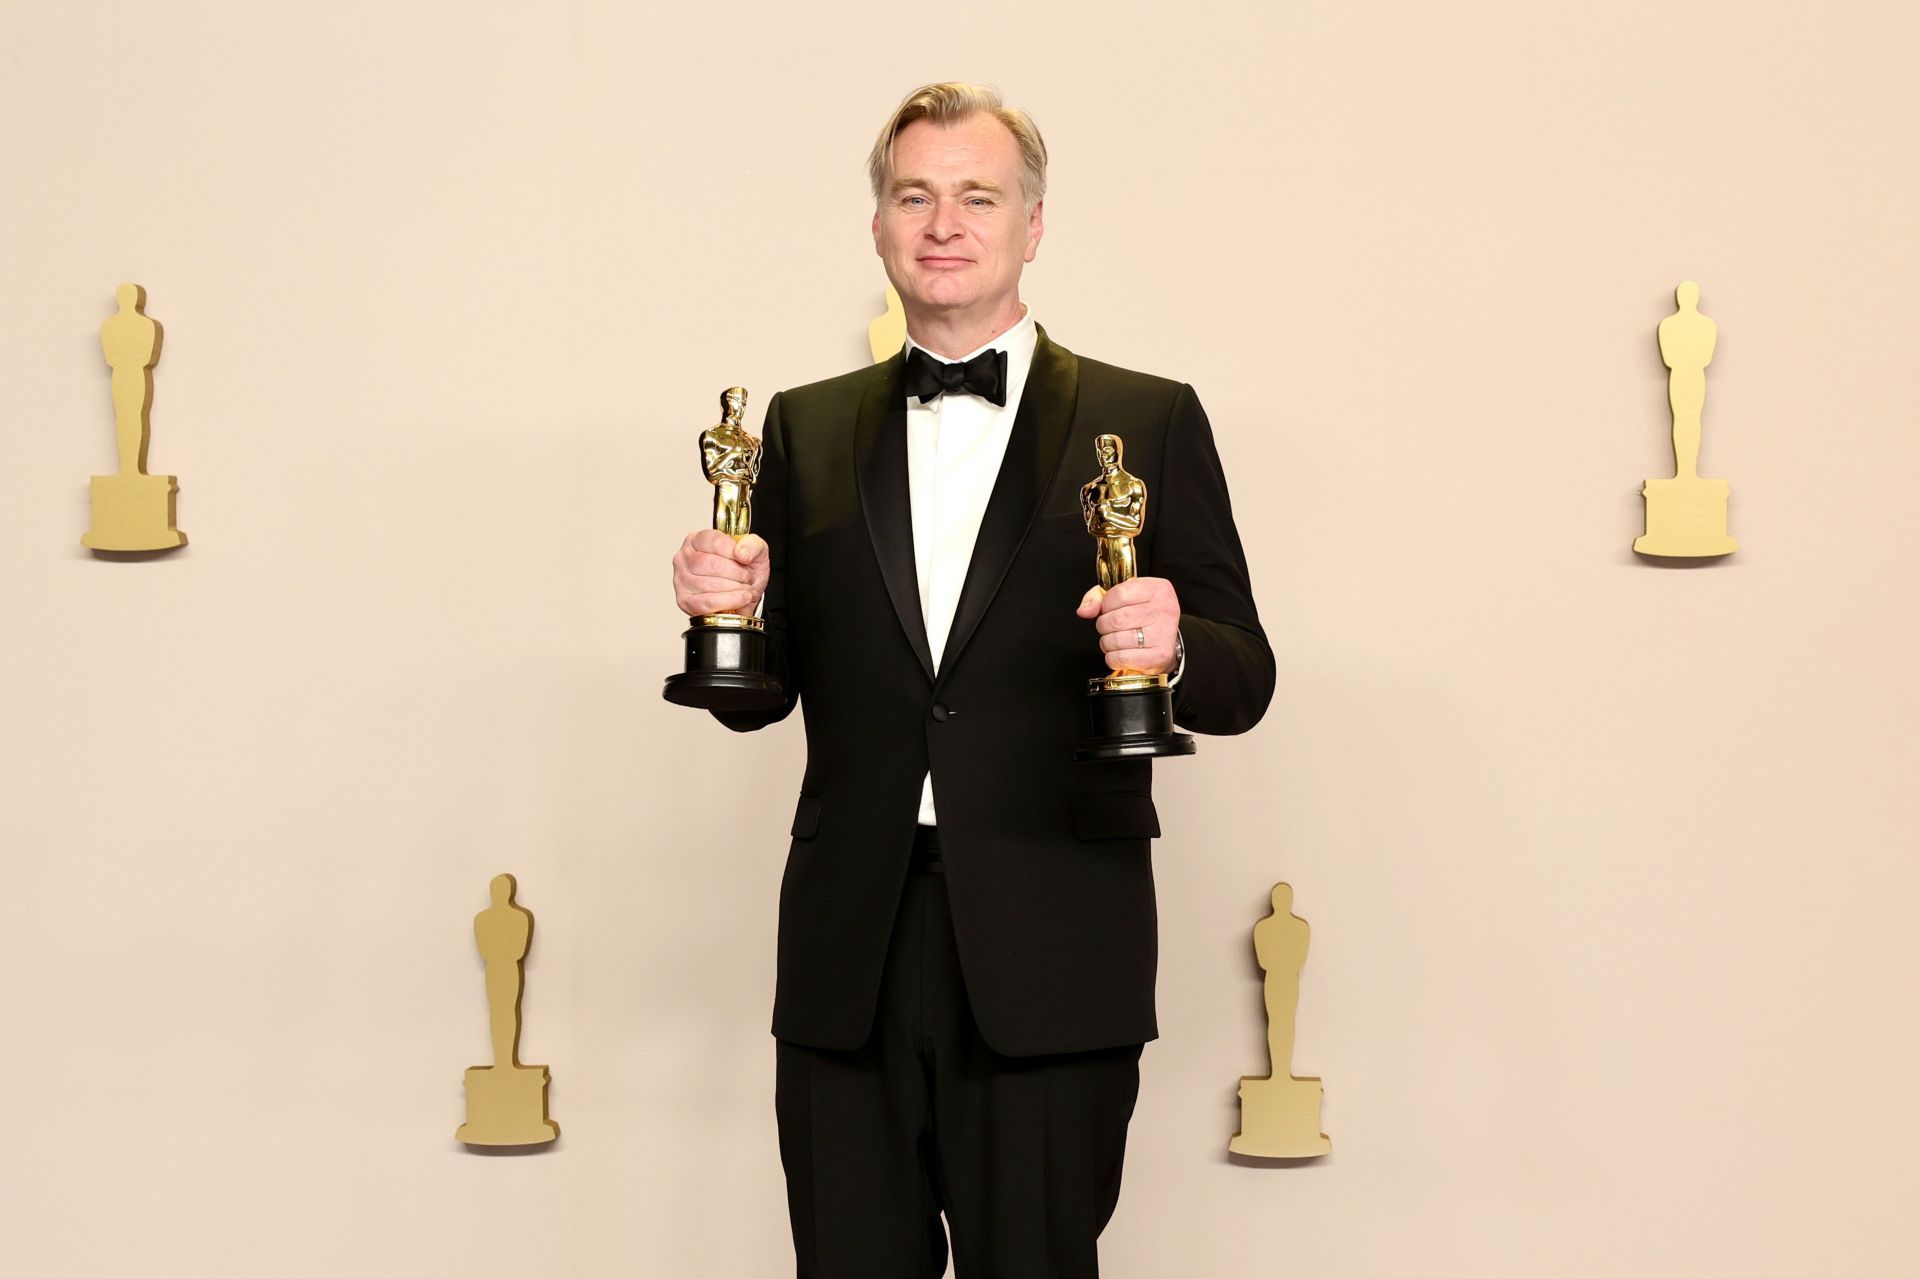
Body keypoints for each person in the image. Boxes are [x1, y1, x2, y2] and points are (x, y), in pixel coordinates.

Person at [670, 82, 1274, 1278]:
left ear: (1032, 226)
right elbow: (759, 694)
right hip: (853, 952)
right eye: (915, 195)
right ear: (881, 226)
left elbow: (1242, 679)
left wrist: (1178, 640)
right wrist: (719, 609)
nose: (943, 222)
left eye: (977, 196)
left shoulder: (1145, 417)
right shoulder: (802, 427)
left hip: (1055, 947)